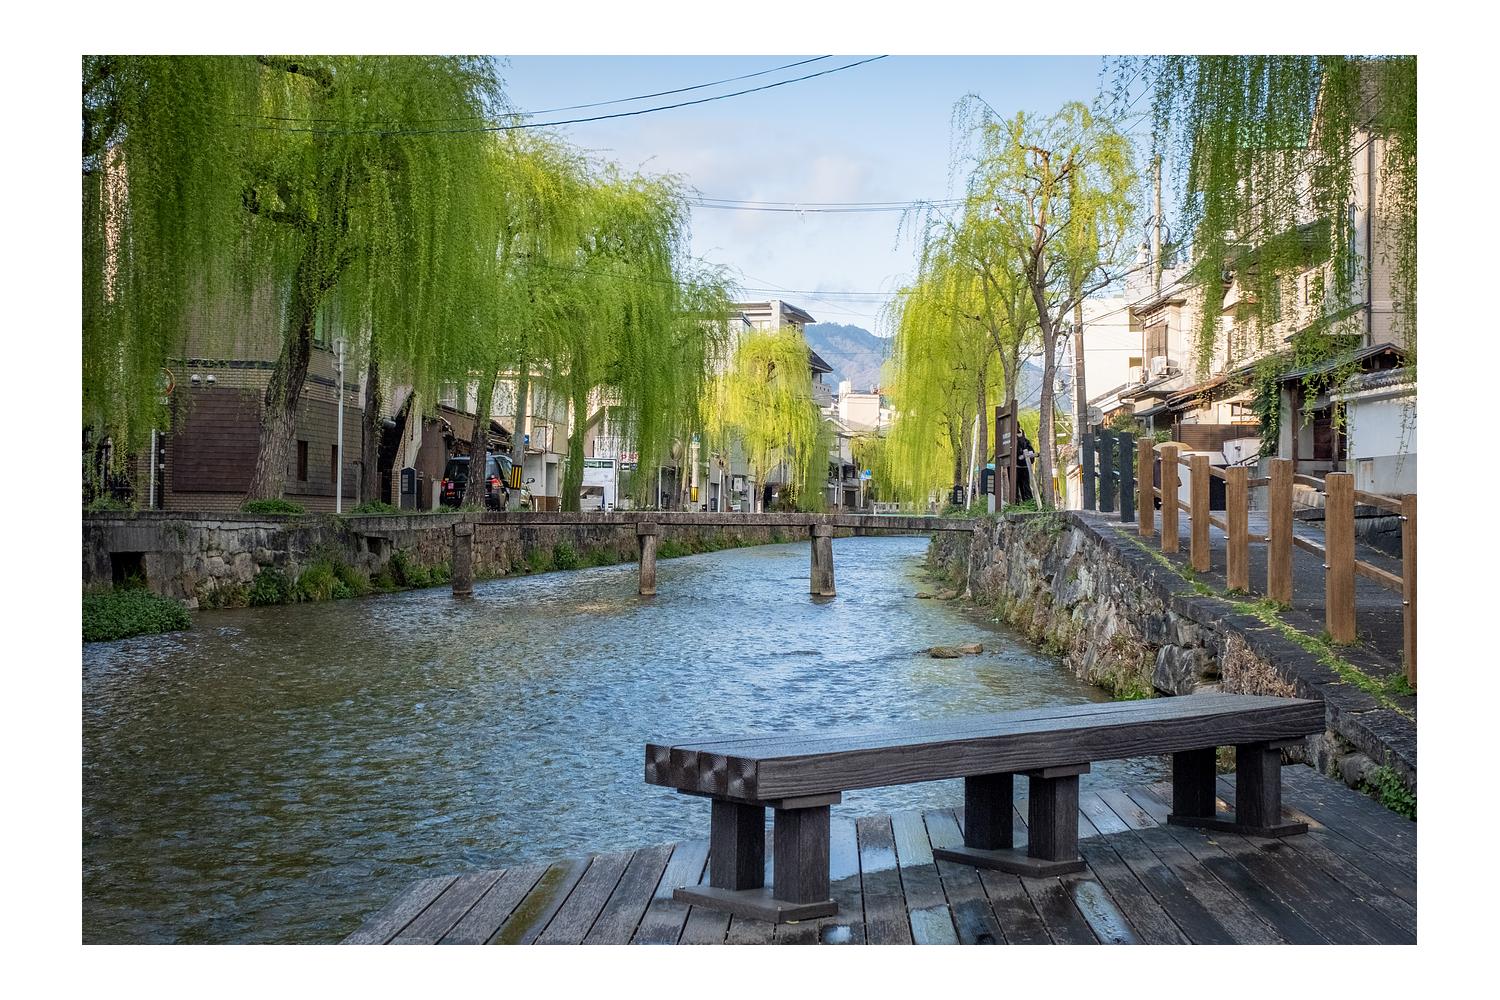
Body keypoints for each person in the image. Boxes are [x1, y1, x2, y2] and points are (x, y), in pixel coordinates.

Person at [1015, 429, 1036, 502]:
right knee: (1018, 487)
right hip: (1018, 467)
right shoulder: (1014, 442)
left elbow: (1031, 455)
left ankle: (1027, 502)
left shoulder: (1026, 442)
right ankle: (1023, 501)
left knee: (1025, 486)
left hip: (1024, 466)